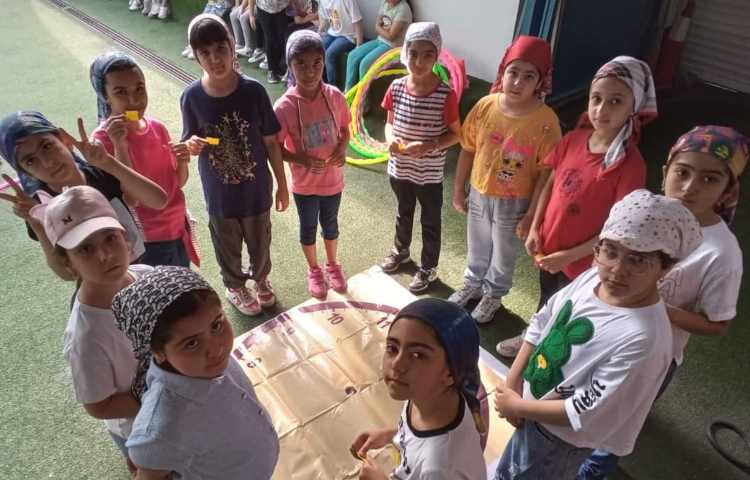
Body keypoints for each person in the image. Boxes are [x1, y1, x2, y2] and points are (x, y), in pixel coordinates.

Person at [493, 189, 702, 479]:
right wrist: (514, 382)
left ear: (666, 268)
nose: (617, 270)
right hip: (532, 411)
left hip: (559, 439)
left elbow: (584, 409)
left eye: (638, 260)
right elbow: (543, 320)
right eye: (610, 251)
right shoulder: (593, 277)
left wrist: (519, 406)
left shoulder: (645, 339)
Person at [578, 126, 748, 479]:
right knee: (584, 401)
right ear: (666, 170)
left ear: (728, 189)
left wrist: (653, 305)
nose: (690, 187)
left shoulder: (722, 253)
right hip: (601, 337)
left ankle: (595, 468)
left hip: (651, 355)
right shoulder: (643, 212)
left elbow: (718, 324)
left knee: (619, 421)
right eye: (682, 172)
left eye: (709, 179)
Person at [496, 55, 657, 357]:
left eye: (615, 101)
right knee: (548, 297)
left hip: (584, 263)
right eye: (596, 98)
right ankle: (535, 337)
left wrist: (569, 256)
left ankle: (549, 354)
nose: (601, 109)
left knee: (572, 311)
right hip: (549, 249)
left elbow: (619, 231)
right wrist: (536, 226)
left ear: (634, 107)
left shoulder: (631, 164)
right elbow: (551, 183)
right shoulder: (572, 139)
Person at [29, 185, 153, 475]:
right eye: (84, 249)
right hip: (141, 425)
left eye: (110, 237)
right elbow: (98, 405)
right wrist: (160, 401)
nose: (104, 255)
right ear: (68, 264)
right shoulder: (85, 337)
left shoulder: (147, 277)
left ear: (125, 237)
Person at [112, 266, 279, 480]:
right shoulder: (163, 426)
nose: (216, 349)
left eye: (216, 325)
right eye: (191, 343)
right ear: (158, 352)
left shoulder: (208, 364)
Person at [181, 14, 289, 316]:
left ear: (232, 46)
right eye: (205, 52)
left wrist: (282, 185)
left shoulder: (254, 91)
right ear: (196, 56)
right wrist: (191, 145)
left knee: (260, 240)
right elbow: (188, 141)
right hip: (220, 195)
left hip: (257, 191)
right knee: (226, 244)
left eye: (220, 49)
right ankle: (235, 286)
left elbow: (271, 143)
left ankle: (261, 279)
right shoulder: (191, 97)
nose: (215, 59)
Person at [449, 36, 562, 324]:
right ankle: (473, 284)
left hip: (515, 202)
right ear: (503, 71)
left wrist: (532, 214)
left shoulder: (546, 121)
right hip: (479, 191)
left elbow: (546, 173)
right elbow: (468, 149)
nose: (518, 82)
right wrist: (459, 189)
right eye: (513, 72)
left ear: (540, 82)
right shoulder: (485, 106)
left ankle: (494, 294)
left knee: (504, 250)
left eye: (529, 76)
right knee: (477, 242)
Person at [0, 111, 166, 280]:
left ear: (64, 139)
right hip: (103, 286)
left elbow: (158, 201)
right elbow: (66, 274)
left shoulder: (101, 172)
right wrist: (36, 223)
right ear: (26, 172)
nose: (47, 162)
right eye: (30, 161)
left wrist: (110, 163)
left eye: (47, 146)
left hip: (141, 264)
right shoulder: (39, 207)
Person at [351, 298, 487, 480]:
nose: (397, 364)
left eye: (417, 355)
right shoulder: (427, 394)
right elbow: (421, 439)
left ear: (450, 373)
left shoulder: (439, 469)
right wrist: (393, 435)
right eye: (392, 348)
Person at [90, 51, 198, 268]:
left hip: (178, 229)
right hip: (148, 242)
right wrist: (120, 145)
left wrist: (182, 162)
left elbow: (177, 184)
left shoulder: (158, 128)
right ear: (105, 96)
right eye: (120, 92)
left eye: (139, 88)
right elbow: (129, 198)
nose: (134, 100)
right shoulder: (101, 143)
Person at [378, 22, 461, 293]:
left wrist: (429, 145)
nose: (419, 61)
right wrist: (391, 140)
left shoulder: (445, 95)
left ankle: (428, 267)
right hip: (400, 168)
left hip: (429, 174)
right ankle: (401, 251)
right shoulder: (396, 87)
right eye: (413, 53)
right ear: (405, 52)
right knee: (403, 211)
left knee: (430, 220)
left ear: (437, 57)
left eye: (427, 55)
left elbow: (457, 135)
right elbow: (389, 123)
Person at [274, 30, 351, 298]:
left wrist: (341, 149)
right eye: (301, 65)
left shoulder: (335, 96)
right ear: (290, 66)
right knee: (308, 228)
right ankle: (314, 270)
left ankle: (333, 265)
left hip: (333, 181)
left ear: (324, 62)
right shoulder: (284, 107)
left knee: (331, 225)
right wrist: (301, 159)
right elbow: (275, 148)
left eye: (316, 63)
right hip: (304, 186)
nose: (309, 72)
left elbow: (345, 130)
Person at [344, 0, 412, 92]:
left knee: (365, 63)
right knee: (352, 56)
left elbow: (391, 36)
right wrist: (380, 29)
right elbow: (378, 26)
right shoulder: (385, 3)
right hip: (380, 40)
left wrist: (379, 28)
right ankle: (348, 92)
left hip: (393, 46)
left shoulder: (403, 9)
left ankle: (362, 95)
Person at [317, 0, 363, 90]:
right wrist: (319, 31)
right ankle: (320, 83)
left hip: (348, 36)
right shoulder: (323, 1)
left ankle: (332, 89)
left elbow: (358, 21)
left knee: (329, 54)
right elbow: (325, 18)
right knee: (318, 48)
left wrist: (359, 45)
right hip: (332, 33)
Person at [248, 0, 290, 83]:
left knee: (281, 38)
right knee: (270, 39)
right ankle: (272, 71)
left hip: (281, 8)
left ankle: (279, 68)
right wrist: (251, 15)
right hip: (264, 8)